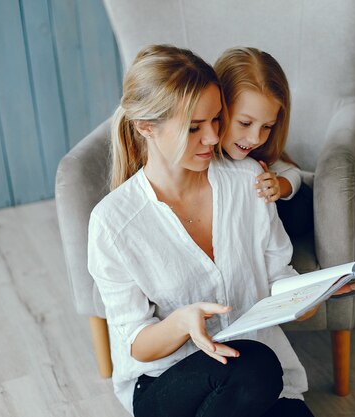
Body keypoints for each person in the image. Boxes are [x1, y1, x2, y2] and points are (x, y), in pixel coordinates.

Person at [88, 45, 315, 417]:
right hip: (167, 382)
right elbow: (137, 345)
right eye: (194, 127)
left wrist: (318, 292)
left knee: (260, 375)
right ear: (147, 127)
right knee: (255, 366)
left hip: (255, 381)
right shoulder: (113, 223)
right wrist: (181, 323)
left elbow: (279, 276)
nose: (212, 138)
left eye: (216, 120)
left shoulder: (249, 181)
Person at [214, 47, 313, 237]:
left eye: (267, 126)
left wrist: (279, 185)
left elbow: (293, 173)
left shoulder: (259, 153)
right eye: (245, 123)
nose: (255, 138)